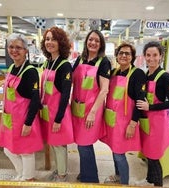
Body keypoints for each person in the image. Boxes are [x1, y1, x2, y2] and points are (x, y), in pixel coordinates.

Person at [0, 33, 43, 181]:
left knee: (26, 151)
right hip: (11, 119)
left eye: (18, 47)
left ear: (26, 50)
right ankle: (22, 174)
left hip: (24, 118)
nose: (14, 50)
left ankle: (28, 178)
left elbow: (35, 99)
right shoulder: (12, 67)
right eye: (11, 47)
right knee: (8, 149)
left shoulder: (30, 72)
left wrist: (28, 123)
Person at [101, 42, 146, 185]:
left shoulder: (137, 74)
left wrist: (133, 124)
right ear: (117, 55)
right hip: (112, 118)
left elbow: (139, 101)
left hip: (125, 121)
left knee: (119, 154)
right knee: (114, 150)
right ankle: (118, 175)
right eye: (121, 53)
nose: (124, 56)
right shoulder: (114, 72)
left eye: (128, 53)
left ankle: (124, 183)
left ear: (132, 57)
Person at [135, 41, 169, 186]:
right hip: (146, 121)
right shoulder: (146, 74)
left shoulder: (165, 77)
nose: (151, 58)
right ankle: (149, 180)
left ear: (161, 56)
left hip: (157, 122)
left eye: (155, 55)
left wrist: (151, 107)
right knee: (148, 153)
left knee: (154, 156)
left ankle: (158, 183)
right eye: (148, 55)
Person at [71, 30, 111, 183]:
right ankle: (85, 172)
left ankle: (91, 180)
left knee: (84, 143)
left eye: (97, 41)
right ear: (86, 41)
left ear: (101, 44)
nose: (93, 43)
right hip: (78, 107)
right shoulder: (80, 59)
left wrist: (93, 113)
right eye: (90, 39)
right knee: (81, 143)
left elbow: (104, 90)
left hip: (91, 109)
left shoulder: (103, 62)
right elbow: (72, 80)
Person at [39, 26, 74, 182]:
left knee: (59, 145)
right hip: (48, 111)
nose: (50, 42)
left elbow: (65, 95)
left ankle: (62, 175)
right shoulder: (48, 63)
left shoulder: (64, 65)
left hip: (58, 113)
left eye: (53, 39)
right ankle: (59, 169)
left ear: (60, 42)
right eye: (47, 39)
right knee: (53, 143)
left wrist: (58, 119)